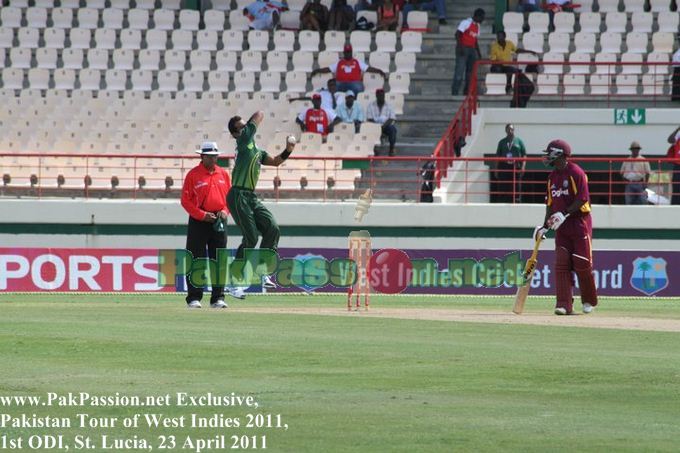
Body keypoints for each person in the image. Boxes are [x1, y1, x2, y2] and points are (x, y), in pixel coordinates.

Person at [227, 112, 297, 289]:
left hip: (250, 196)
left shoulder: (256, 151)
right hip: (237, 195)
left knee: (272, 228)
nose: (245, 129)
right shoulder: (242, 142)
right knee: (251, 238)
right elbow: (259, 114)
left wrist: (288, 149)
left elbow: (275, 161)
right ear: (235, 135)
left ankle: (263, 270)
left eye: (245, 126)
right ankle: (234, 276)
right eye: (241, 128)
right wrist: (253, 120)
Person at [534, 139, 598, 316]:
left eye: (550, 153)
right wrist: (545, 226)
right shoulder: (552, 177)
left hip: (579, 222)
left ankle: (589, 300)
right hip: (561, 226)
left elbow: (582, 198)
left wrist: (565, 214)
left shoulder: (576, 172)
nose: (547, 157)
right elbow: (550, 203)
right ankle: (563, 304)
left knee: (582, 263)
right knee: (562, 262)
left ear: (559, 154)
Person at [180, 142, 244, 309]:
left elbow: (230, 198)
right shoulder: (193, 175)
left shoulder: (223, 174)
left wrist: (225, 211)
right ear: (202, 156)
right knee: (196, 259)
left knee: (219, 260)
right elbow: (185, 201)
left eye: (215, 155)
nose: (214, 158)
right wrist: (202, 215)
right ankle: (194, 298)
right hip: (199, 220)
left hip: (219, 220)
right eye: (210, 155)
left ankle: (218, 298)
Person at [310, 44, 386, 94]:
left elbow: (368, 68)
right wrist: (318, 70)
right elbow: (328, 69)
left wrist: (378, 70)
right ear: (344, 52)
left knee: (358, 87)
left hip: (354, 83)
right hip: (341, 83)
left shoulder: (357, 62)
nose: (348, 53)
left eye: (349, 52)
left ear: (351, 52)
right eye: (346, 52)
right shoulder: (339, 62)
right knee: (332, 86)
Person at [451, 8, 485, 96]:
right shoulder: (466, 22)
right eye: (482, 18)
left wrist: (479, 53)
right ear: (477, 16)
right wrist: (460, 47)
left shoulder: (478, 26)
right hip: (463, 48)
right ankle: (454, 93)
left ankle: (466, 92)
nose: (482, 20)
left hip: (472, 49)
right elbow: (457, 34)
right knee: (459, 72)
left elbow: (475, 39)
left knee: (470, 73)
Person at [493, 123, 526, 203]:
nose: (510, 131)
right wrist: (496, 169)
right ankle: (502, 201)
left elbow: (524, 154)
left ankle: (517, 201)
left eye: (511, 129)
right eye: (508, 129)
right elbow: (498, 156)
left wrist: (523, 167)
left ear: (514, 130)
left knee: (516, 185)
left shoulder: (519, 141)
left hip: (516, 166)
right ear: (506, 130)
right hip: (504, 166)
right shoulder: (502, 142)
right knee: (504, 185)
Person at [366, 88, 397, 156]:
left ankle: (392, 149)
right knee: (367, 128)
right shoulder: (370, 105)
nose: (381, 97)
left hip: (385, 126)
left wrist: (383, 127)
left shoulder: (389, 105)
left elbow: (391, 119)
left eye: (382, 95)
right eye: (379, 95)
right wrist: (377, 127)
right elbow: (370, 119)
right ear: (376, 96)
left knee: (393, 129)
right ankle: (373, 148)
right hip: (374, 126)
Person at [620, 141, 651, 205]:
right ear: (631, 150)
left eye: (637, 149)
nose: (635, 150)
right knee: (628, 201)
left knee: (643, 201)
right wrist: (625, 181)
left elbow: (648, 172)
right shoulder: (627, 160)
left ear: (639, 150)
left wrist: (645, 183)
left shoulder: (643, 159)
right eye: (634, 149)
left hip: (640, 183)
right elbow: (621, 172)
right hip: (629, 183)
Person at [667, 125, 680, 204]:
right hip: (678, 165)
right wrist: (677, 129)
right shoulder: (678, 135)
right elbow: (670, 140)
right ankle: (675, 206)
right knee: (676, 188)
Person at [671, 36, 680, 102]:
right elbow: (674, 63)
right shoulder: (676, 52)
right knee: (676, 85)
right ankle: (676, 98)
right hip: (677, 69)